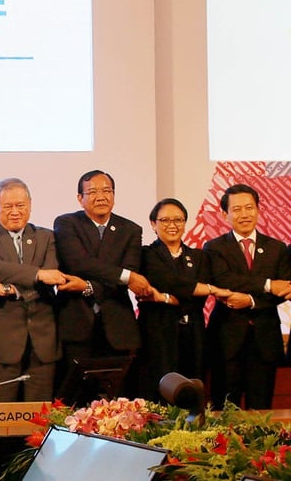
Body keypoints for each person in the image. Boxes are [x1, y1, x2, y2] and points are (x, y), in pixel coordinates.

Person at [0, 178, 74, 403]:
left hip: (42, 344)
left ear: (30, 205)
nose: (15, 212)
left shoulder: (46, 236)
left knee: (39, 423)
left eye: (21, 205)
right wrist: (37, 275)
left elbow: (52, 274)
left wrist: (10, 289)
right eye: (8, 206)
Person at [53, 170, 152, 373]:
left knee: (116, 400)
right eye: (93, 192)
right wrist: (125, 277)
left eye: (107, 190)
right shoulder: (67, 223)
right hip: (76, 323)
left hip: (117, 324)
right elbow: (79, 263)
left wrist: (88, 286)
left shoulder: (131, 229)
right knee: (75, 397)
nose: (101, 197)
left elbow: (130, 268)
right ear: (80, 198)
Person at [203, 184, 291, 409]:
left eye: (249, 208)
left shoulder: (277, 248)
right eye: (237, 209)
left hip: (265, 340)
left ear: (258, 210)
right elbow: (224, 280)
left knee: (261, 412)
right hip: (226, 340)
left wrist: (251, 300)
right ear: (225, 214)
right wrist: (268, 284)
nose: (245, 214)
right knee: (224, 410)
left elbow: (284, 290)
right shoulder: (214, 247)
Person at [138, 198, 220, 401]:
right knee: (158, 393)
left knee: (191, 392)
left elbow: (198, 299)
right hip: (156, 334)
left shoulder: (199, 256)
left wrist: (164, 298)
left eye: (178, 220)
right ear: (153, 224)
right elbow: (165, 281)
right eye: (165, 220)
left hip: (193, 334)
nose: (172, 225)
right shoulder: (146, 254)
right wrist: (189, 291)